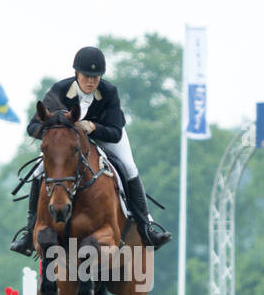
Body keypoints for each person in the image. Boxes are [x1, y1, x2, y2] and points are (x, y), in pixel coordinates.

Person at [11, 46, 172, 255]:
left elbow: (115, 132)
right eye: (87, 76)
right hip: (68, 145)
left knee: (129, 167)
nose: (91, 81)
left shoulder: (109, 92)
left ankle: (146, 227)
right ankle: (29, 231)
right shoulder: (59, 90)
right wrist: (58, 136)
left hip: (106, 137)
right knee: (38, 170)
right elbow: (32, 127)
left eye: (96, 77)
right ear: (76, 73)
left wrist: (94, 127)